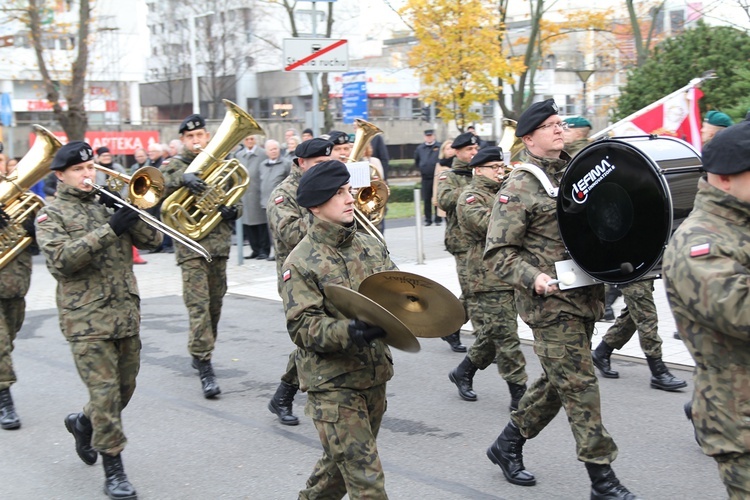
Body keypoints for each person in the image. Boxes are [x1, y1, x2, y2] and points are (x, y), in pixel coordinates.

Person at [484, 99, 638, 499]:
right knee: (581, 386)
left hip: (585, 297)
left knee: (559, 382)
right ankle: (602, 479)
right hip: (550, 305)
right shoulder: (520, 185)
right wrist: (533, 278)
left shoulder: (578, 172)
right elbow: (498, 253)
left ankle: (508, 443)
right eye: (550, 125)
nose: (559, 129)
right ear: (529, 137)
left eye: (560, 123)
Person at [35, 140, 162, 499]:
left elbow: (154, 241)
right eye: (79, 170)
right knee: (105, 397)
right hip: (86, 320)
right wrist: (111, 229)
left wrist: (131, 211)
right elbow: (62, 261)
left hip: (124, 314)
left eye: (90, 168)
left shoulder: (109, 203)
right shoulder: (51, 214)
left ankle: (82, 423)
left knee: (124, 390)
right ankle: (115, 471)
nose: (87, 175)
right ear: (61, 175)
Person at [282, 160, 397, 498]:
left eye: (348, 190)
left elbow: (399, 290)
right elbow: (303, 327)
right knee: (367, 481)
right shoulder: (300, 262)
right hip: (332, 385)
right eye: (339, 193)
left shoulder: (370, 245)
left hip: (373, 376)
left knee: (336, 471)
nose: (350, 199)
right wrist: (350, 331)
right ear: (316, 205)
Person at [662, 118, 750, 499]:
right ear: (725, 178)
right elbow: (740, 310)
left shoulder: (740, 224)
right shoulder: (699, 243)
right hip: (740, 419)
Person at [161, 114, 242, 399]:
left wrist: (233, 211)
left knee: (215, 304)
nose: (197, 141)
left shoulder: (220, 164)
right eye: (191, 137)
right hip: (190, 247)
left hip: (218, 246)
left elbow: (236, 198)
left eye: (200, 136)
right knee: (198, 305)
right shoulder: (175, 165)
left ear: (208, 137)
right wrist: (183, 179)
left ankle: (202, 350)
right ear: (183, 140)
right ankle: (205, 363)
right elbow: (159, 187)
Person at [449, 146, 528, 409]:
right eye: (493, 167)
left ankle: (464, 371)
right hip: (487, 277)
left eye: (501, 166)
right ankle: (519, 393)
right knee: (507, 336)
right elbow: (493, 226)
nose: (500, 171)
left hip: (510, 273)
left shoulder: (503, 192)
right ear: (478, 169)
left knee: (494, 334)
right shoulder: (470, 198)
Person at [266, 138, 333, 426]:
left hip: (330, 272)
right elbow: (290, 234)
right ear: (300, 163)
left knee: (324, 339)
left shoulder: (332, 187)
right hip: (298, 278)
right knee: (312, 339)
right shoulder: (283, 194)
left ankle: (285, 394)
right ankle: (286, 395)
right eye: (318, 164)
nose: (324, 169)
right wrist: (320, 210)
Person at [592, 280, 687, 391]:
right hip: (632, 272)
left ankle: (602, 352)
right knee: (646, 318)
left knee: (633, 315)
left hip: (643, 272)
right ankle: (658, 372)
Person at [0, 149, 36, 430]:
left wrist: (33, 227)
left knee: (8, 341)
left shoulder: (18, 194)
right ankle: (5, 400)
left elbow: (35, 242)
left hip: (15, 282)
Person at [437, 131, 479, 353]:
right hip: (461, 241)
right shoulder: (449, 176)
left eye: (475, 149)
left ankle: (450, 328)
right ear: (457, 151)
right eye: (469, 150)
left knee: (477, 289)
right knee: (472, 289)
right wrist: (475, 187)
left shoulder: (481, 171)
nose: (474, 152)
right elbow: (444, 201)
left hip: (481, 239)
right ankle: (483, 342)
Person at [237, 134, 270, 259]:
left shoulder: (262, 153)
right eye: (247, 139)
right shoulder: (239, 155)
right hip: (245, 195)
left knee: (261, 224)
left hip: (258, 193)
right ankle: (255, 249)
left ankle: (264, 249)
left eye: (252, 139)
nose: (249, 141)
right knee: (248, 224)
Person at [260, 139, 292, 261]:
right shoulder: (262, 165)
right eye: (271, 149)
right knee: (270, 230)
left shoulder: (286, 163)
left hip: (281, 203)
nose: (273, 151)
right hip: (266, 202)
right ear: (266, 151)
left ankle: (284, 251)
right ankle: (275, 251)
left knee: (281, 228)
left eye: (275, 149)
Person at [414, 129, 442, 226]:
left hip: (437, 177)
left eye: (430, 136)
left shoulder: (439, 146)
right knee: (426, 199)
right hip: (426, 178)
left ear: (434, 136)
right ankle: (428, 219)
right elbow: (417, 161)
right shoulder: (420, 148)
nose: (429, 137)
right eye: (427, 136)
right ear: (424, 137)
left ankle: (438, 219)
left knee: (437, 198)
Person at [431, 138, 455, 225]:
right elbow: (436, 182)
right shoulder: (439, 164)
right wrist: (435, 197)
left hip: (455, 196)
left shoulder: (457, 163)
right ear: (443, 151)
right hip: (443, 197)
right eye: (447, 149)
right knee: (447, 222)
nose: (450, 151)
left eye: (452, 148)